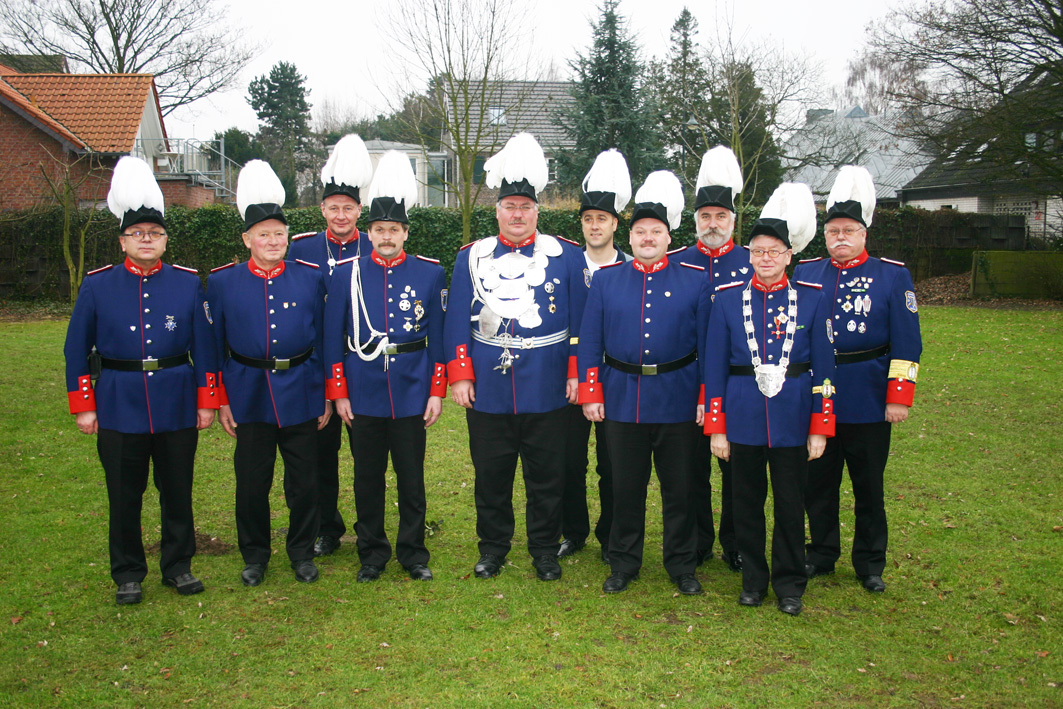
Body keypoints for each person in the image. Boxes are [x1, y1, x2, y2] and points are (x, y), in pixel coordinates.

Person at [64, 156, 219, 605]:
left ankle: (178, 566)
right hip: (118, 402)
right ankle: (128, 572)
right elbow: (76, 350)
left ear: (166, 240)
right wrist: (84, 405)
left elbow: (205, 348)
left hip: (175, 400)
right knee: (124, 495)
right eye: (137, 233)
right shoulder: (97, 285)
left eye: (154, 233)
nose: (146, 239)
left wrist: (206, 401)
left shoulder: (187, 284)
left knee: (178, 492)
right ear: (123, 241)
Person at [443, 132, 587, 582]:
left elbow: (581, 324)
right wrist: (460, 375)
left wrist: (575, 374)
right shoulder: (471, 257)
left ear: (537, 211)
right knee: (491, 475)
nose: (518, 214)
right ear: (498, 210)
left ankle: (544, 549)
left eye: (525, 207)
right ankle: (493, 548)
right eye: (510, 206)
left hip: (547, 383)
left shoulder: (567, 256)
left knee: (547, 476)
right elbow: (456, 322)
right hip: (489, 386)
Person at [703, 182, 836, 616]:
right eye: (758, 251)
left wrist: (820, 427)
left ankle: (790, 584)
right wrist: (717, 428)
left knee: (791, 505)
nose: (765, 259)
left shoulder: (812, 300)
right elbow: (714, 369)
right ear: (749, 255)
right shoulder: (727, 301)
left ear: (788, 256)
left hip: (793, 417)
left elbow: (825, 372)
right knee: (745, 504)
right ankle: (753, 581)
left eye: (774, 252)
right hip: (742, 416)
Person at [578, 170, 711, 595]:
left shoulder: (695, 280)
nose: (648, 238)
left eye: (656, 231)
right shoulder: (606, 279)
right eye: (640, 232)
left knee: (681, 489)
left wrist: (705, 397)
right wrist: (591, 393)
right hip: (621, 397)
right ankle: (623, 562)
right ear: (630, 237)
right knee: (624, 488)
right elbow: (590, 341)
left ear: (669, 238)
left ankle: (682, 565)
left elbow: (707, 347)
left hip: (678, 397)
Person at [795, 165, 923, 594]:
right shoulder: (807, 273)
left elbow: (908, 342)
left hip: (868, 393)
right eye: (833, 231)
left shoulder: (892, 275)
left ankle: (869, 562)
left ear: (864, 234)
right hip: (817, 395)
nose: (840, 238)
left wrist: (899, 396)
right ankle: (821, 552)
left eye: (848, 231)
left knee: (868, 485)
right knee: (818, 484)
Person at [324, 151, 447, 582]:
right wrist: (338, 392)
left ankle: (413, 553)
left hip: (412, 388)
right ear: (369, 233)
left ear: (405, 233)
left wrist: (436, 391)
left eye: (394, 229)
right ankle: (372, 553)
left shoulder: (430, 274)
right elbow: (332, 339)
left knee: (412, 478)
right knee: (367, 478)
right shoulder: (347, 274)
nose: (386, 236)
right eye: (379, 229)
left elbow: (438, 339)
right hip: (364, 389)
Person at [206, 160, 330, 587]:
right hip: (248, 391)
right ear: (247, 239)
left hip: (302, 388)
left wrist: (326, 393)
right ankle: (255, 555)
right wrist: (220, 399)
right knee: (252, 482)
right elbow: (213, 346)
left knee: (305, 481)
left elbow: (324, 338)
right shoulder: (223, 282)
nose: (273, 241)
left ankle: (302, 552)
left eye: (279, 234)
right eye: (264, 234)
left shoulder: (310, 278)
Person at [288, 134, 373, 558]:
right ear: (322, 209)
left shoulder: (374, 244)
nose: (341, 215)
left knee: (366, 452)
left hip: (360, 363)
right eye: (334, 208)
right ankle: (326, 527)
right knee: (320, 452)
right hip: (313, 363)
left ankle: (368, 526)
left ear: (360, 210)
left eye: (349, 208)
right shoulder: (300, 247)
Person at [559, 149, 634, 563]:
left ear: (615, 223)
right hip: (570, 378)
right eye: (588, 219)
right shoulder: (564, 265)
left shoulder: (630, 266)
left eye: (601, 219)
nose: (594, 225)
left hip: (616, 378)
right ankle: (573, 531)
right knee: (569, 461)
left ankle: (611, 534)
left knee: (614, 463)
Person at [677, 146, 749, 571]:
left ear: (733, 221)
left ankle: (735, 543)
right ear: (696, 221)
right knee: (691, 472)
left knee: (736, 470)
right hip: (686, 383)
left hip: (736, 385)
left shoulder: (753, 263)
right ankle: (698, 541)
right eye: (705, 216)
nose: (713, 224)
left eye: (721, 216)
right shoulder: (676, 262)